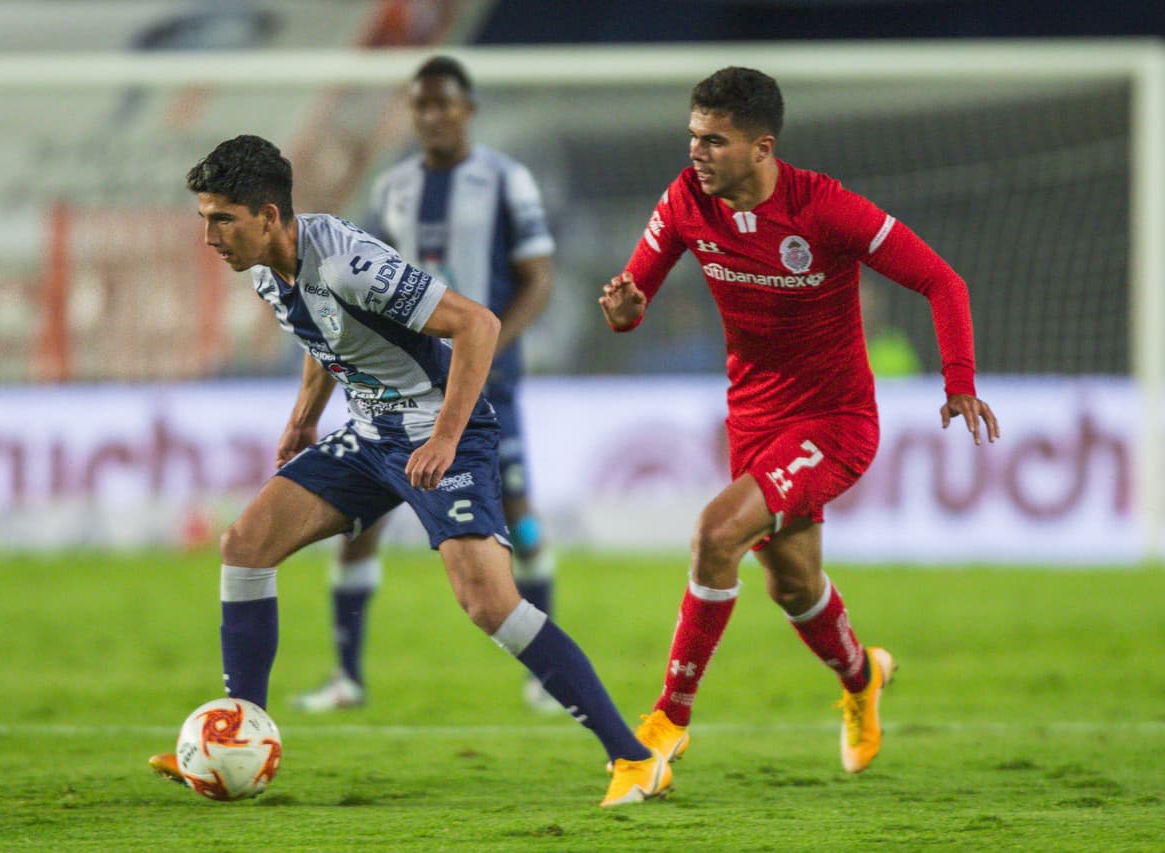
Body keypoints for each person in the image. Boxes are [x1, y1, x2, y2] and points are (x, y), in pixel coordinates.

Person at [148, 134, 670, 806]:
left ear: (270, 216)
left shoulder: (349, 263)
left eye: (223, 219)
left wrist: (447, 437)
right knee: (244, 544)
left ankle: (635, 758)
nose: (211, 236)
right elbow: (323, 337)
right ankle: (236, 736)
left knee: (487, 601)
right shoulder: (262, 270)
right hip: (371, 435)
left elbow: (476, 325)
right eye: (204, 220)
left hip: (440, 433)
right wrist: (305, 415)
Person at [599, 67, 999, 777]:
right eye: (693, 136)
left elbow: (944, 280)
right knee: (793, 584)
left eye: (714, 141)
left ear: (762, 147)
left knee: (714, 533)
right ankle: (861, 678)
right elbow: (634, 299)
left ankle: (666, 721)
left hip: (834, 420)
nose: (696, 153)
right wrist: (626, 311)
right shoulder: (687, 199)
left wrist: (959, 380)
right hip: (753, 420)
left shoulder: (824, 208)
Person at [291, 56, 561, 715]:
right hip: (403, 383)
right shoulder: (394, 186)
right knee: (363, 520)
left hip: (486, 378)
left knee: (518, 516)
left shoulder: (505, 179)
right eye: (422, 105)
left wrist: (500, 348)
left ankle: (546, 676)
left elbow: (538, 277)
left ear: (468, 109)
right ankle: (347, 674)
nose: (434, 115)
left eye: (445, 104)